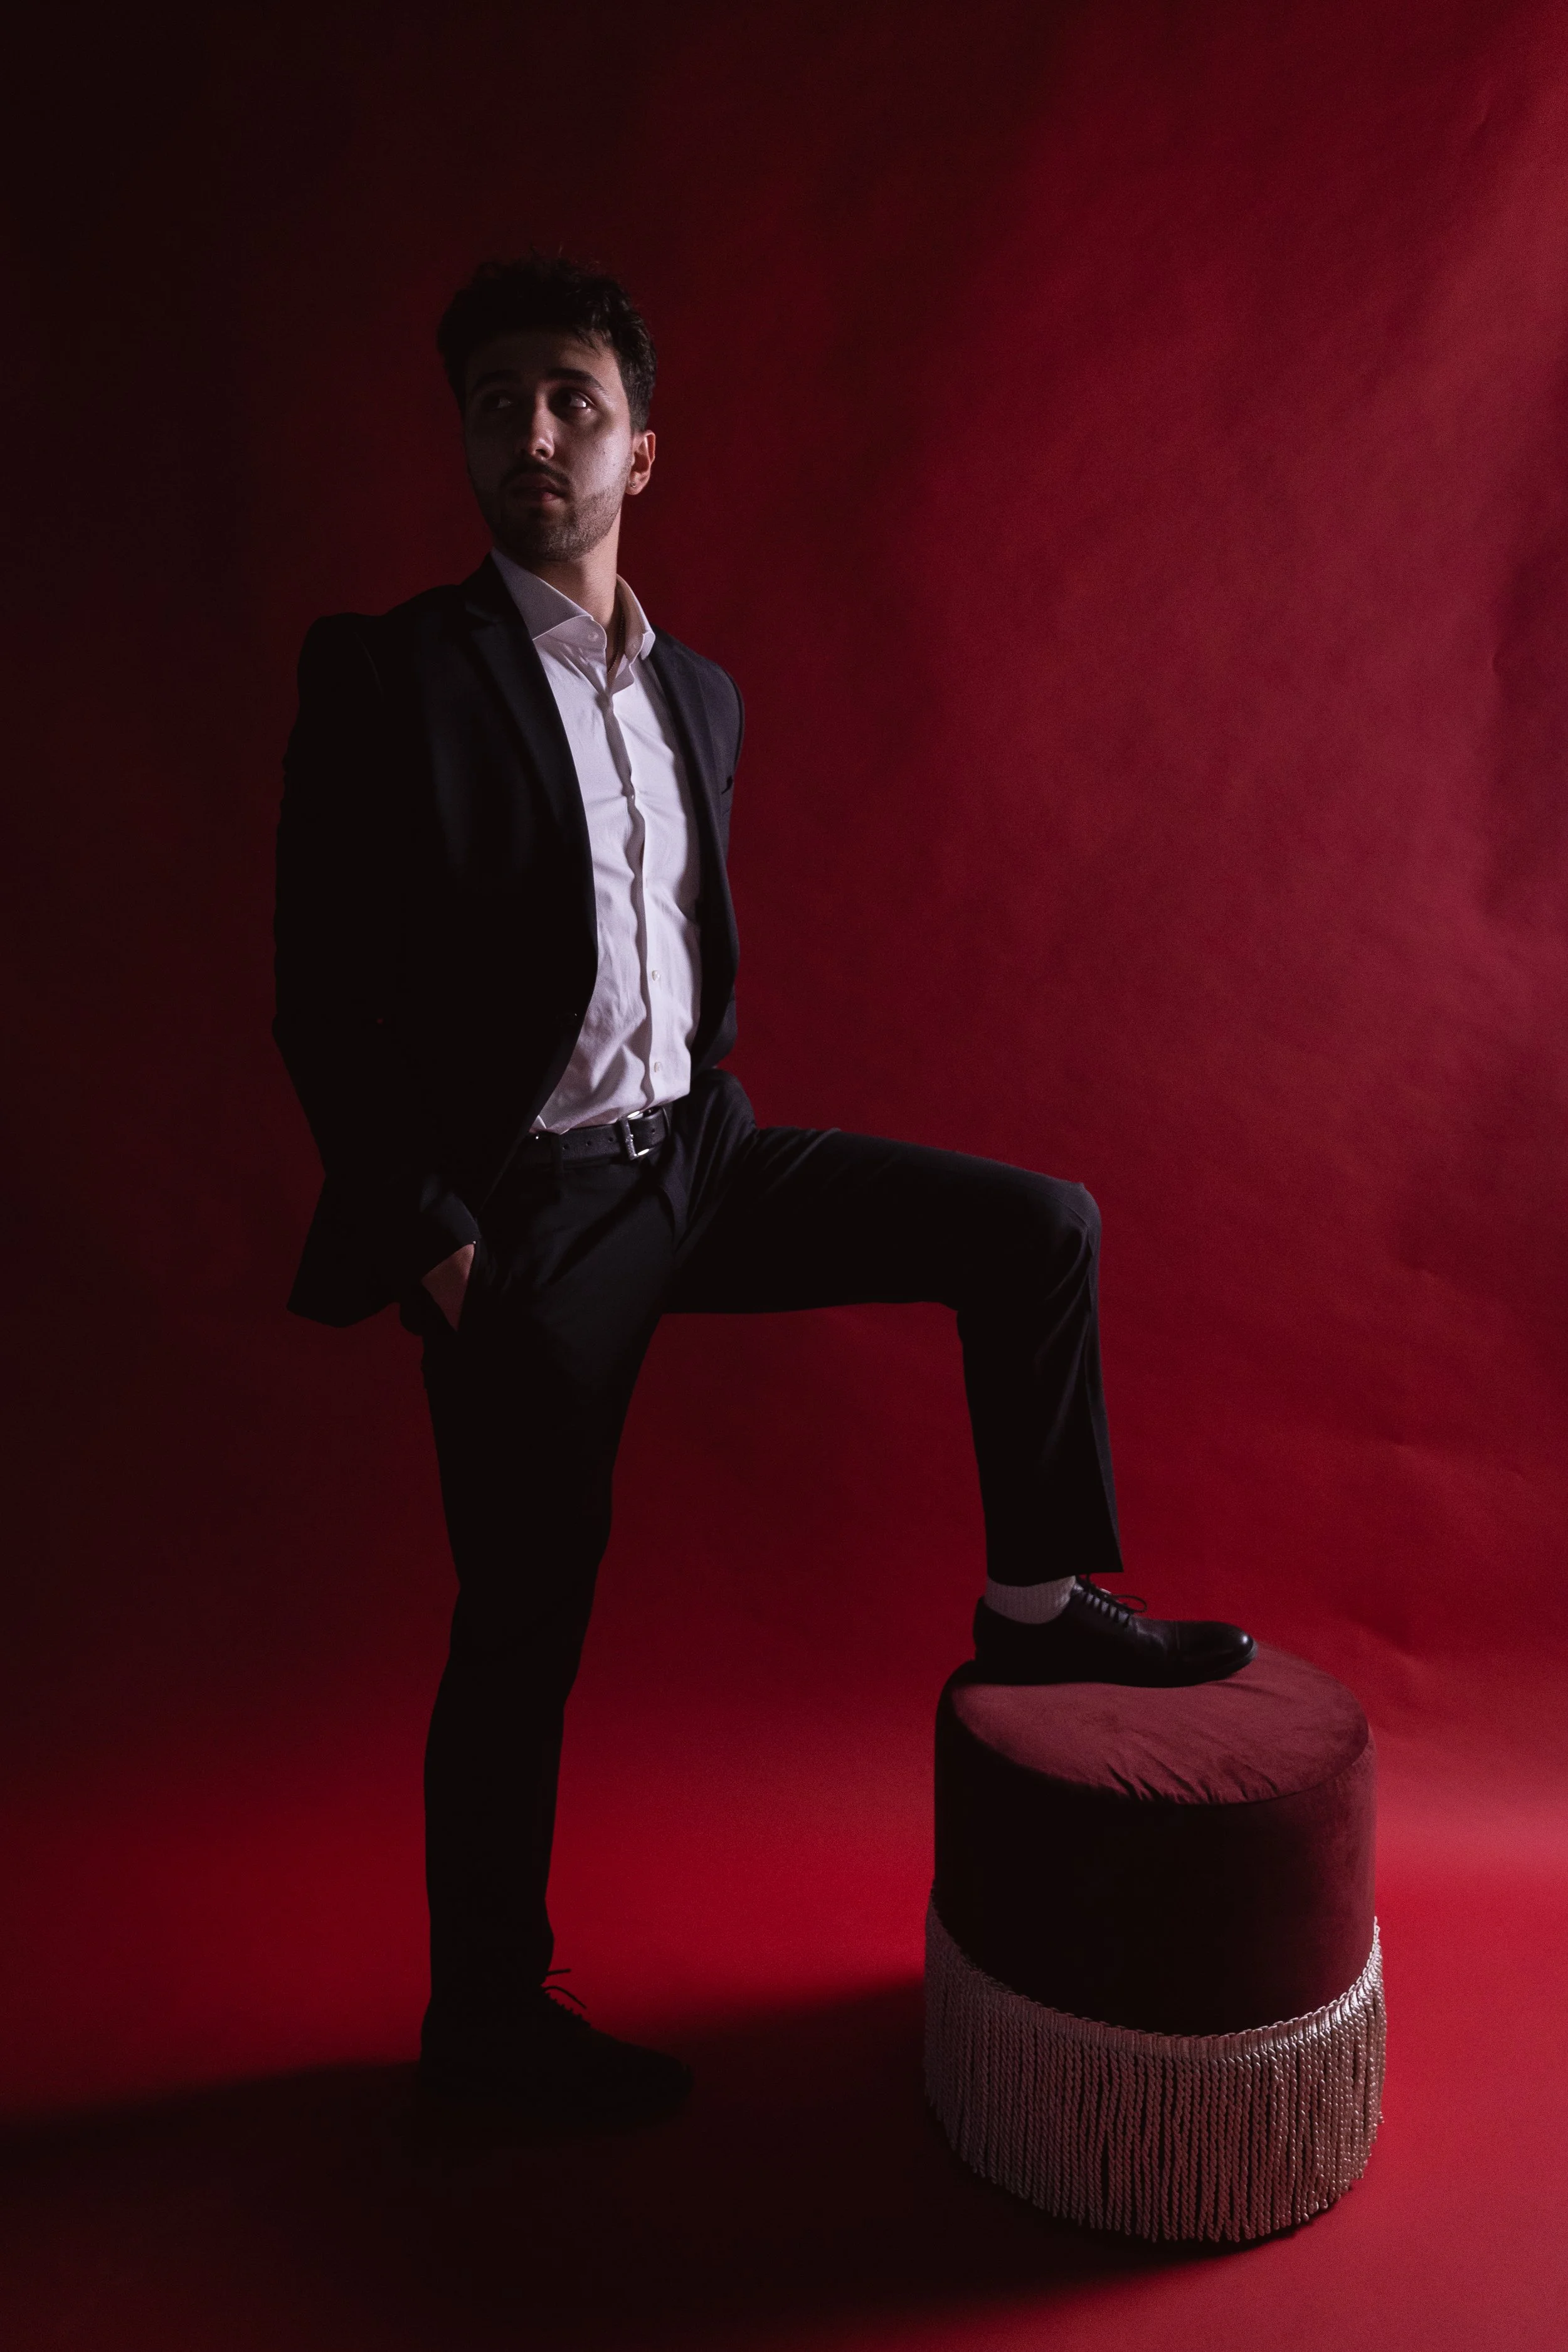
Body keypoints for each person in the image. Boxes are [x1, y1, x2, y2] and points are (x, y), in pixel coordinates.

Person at [273, 255, 1255, 2132]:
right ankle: (482, 2012)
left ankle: (1038, 1599)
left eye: (568, 397)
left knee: (1036, 1222)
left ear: (645, 447)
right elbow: (318, 986)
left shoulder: (701, 696)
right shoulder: (391, 669)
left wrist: (690, 1111)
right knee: (524, 1619)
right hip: (528, 1216)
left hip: (699, 1154)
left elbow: (667, 949)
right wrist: (433, 1235)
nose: (530, 432)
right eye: (493, 401)